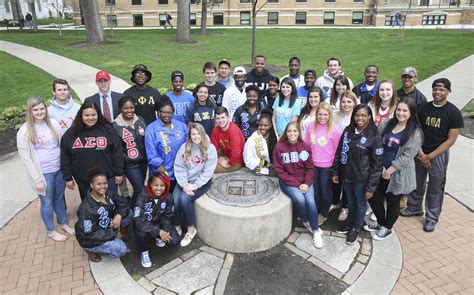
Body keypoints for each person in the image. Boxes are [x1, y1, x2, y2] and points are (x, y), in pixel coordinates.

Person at [401, 78, 464, 232]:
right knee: (417, 183)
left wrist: (430, 156)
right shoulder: (424, 108)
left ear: (448, 91)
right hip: (420, 150)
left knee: (435, 187)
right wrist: (421, 153)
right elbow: (415, 131)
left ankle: (431, 217)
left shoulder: (453, 112)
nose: (437, 92)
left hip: (438, 155)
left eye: (441, 89)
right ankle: (414, 207)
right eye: (435, 88)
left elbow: (451, 140)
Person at [17, 96, 75, 242]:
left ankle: (63, 223)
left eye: (42, 108)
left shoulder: (53, 124)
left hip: (58, 170)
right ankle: (51, 230)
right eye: (35, 109)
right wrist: (37, 179)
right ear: (30, 111)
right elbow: (26, 158)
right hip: (43, 174)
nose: (39, 112)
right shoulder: (24, 131)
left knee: (59, 198)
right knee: (47, 202)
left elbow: (62, 146)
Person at [365, 98, 423, 240]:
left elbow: (407, 157)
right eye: (399, 109)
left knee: (392, 202)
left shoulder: (415, 133)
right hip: (379, 169)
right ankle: (380, 223)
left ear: (411, 113)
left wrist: (389, 171)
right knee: (373, 197)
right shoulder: (386, 123)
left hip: (397, 174)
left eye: (405, 110)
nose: (401, 113)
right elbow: (376, 142)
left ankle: (387, 227)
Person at [333, 104, 383, 245]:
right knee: (350, 202)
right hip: (346, 176)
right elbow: (339, 151)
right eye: (357, 115)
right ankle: (350, 223)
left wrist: (371, 187)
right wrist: (336, 171)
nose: (359, 118)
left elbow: (377, 165)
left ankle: (355, 228)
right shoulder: (348, 131)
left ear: (369, 117)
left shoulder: (374, 136)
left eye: (363, 115)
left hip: (362, 179)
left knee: (360, 204)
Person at [61, 102, 124, 200]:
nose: (90, 118)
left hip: (107, 177)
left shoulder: (108, 130)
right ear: (81, 115)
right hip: (84, 179)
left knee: (111, 202)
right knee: (90, 206)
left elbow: (117, 152)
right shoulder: (71, 133)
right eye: (86, 115)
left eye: (93, 115)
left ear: (98, 114)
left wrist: (119, 173)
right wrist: (68, 178)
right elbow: (65, 156)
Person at [273, 122, 323, 249]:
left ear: (299, 133)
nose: (292, 134)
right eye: (289, 131)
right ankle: (307, 222)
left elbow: (310, 168)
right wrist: (297, 184)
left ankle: (316, 231)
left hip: (305, 181)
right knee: (300, 200)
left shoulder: (305, 146)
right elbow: (279, 170)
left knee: (310, 202)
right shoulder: (279, 147)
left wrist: (306, 183)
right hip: (288, 182)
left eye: (294, 131)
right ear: (286, 133)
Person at [173, 123, 217, 247]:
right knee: (175, 199)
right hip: (185, 181)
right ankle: (177, 226)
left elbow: (208, 172)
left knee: (184, 199)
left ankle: (191, 229)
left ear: (202, 134)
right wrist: (184, 184)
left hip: (201, 182)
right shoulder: (184, 147)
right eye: (193, 134)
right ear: (190, 135)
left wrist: (195, 186)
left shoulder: (210, 148)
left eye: (198, 133)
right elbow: (179, 167)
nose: (196, 136)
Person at [75, 168, 132, 262]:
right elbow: (89, 234)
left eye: (105, 183)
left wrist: (119, 215)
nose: (103, 186)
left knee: (128, 214)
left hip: (107, 226)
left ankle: (119, 235)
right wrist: (113, 233)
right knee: (121, 250)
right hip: (91, 239)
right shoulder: (86, 208)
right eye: (99, 184)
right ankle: (90, 250)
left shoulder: (108, 193)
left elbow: (122, 203)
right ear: (91, 185)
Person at [305, 102, 342, 225]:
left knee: (325, 192)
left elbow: (338, 151)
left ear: (329, 115)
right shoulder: (310, 126)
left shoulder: (335, 130)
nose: (322, 117)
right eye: (320, 114)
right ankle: (315, 211)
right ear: (316, 114)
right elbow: (306, 145)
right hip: (312, 165)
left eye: (325, 115)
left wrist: (335, 170)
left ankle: (324, 213)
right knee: (314, 191)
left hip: (327, 167)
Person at [134, 171, 180, 268]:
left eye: (162, 185)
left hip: (158, 223)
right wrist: (158, 232)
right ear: (150, 184)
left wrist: (165, 231)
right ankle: (144, 252)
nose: (159, 188)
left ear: (166, 186)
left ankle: (157, 237)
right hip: (145, 224)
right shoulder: (142, 196)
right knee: (141, 233)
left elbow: (168, 217)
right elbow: (139, 220)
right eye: (156, 185)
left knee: (174, 241)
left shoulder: (169, 197)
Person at [145, 96, 188, 190]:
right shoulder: (151, 129)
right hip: (162, 172)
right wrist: (160, 167)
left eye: (169, 112)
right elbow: (151, 154)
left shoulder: (181, 126)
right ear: (158, 112)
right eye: (164, 112)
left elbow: (188, 145)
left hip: (181, 170)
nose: (167, 115)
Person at [112, 96, 147, 206]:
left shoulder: (140, 120)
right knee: (140, 189)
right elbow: (115, 149)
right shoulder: (115, 126)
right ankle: (135, 211)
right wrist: (127, 158)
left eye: (131, 107)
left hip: (143, 162)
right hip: (130, 164)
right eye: (125, 108)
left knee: (139, 189)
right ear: (121, 109)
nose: (129, 110)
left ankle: (134, 208)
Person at [332, 91, 358, 221]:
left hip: (350, 156)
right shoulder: (336, 115)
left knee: (347, 182)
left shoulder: (357, 117)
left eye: (349, 101)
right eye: (343, 101)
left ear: (354, 102)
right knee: (335, 179)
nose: (346, 104)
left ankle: (345, 207)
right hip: (336, 153)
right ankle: (335, 202)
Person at [211, 107, 245, 173]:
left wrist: (228, 163)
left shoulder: (233, 130)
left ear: (228, 117)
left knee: (212, 169)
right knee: (207, 164)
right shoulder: (215, 130)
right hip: (225, 156)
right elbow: (213, 148)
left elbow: (236, 152)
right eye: (218, 118)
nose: (220, 121)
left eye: (223, 117)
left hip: (237, 160)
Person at [243, 110, 277, 174]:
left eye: (266, 125)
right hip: (257, 170)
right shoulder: (252, 139)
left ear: (270, 125)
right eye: (261, 125)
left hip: (274, 169)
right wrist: (264, 163)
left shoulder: (274, 138)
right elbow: (248, 160)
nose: (263, 128)